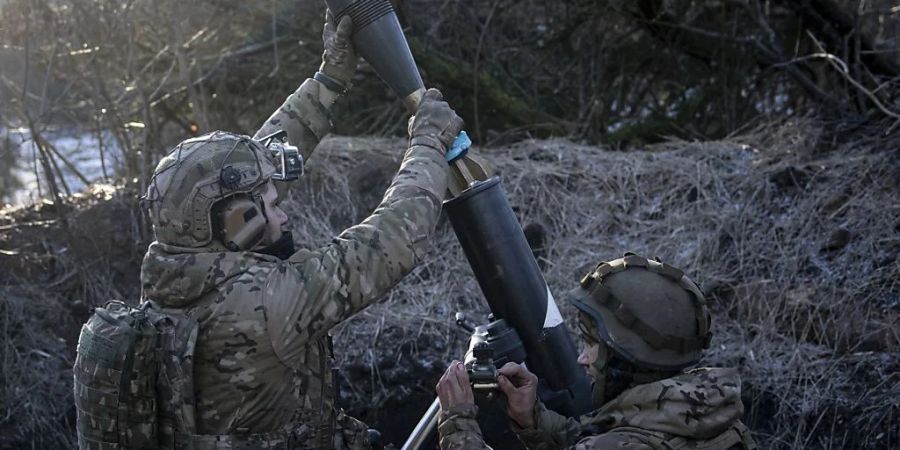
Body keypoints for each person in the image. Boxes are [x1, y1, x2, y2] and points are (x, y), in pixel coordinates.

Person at [140, 11, 463, 449]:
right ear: (236, 224)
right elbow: (389, 241)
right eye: (272, 206)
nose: (284, 213)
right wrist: (428, 143)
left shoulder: (175, 273)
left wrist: (328, 80)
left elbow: (242, 174)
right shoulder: (264, 305)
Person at [436, 253, 757, 449]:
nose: (582, 358)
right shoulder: (712, 413)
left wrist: (458, 421)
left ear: (628, 358)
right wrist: (533, 420)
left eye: (593, 346)